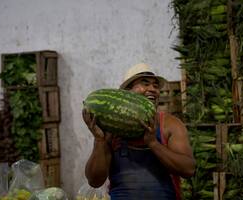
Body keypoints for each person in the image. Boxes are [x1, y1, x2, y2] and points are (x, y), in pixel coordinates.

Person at [82, 63, 196, 200]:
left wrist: (154, 143)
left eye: (155, 86)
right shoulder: (111, 131)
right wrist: (99, 141)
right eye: (145, 84)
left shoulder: (170, 125)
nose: (152, 89)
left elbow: (189, 169)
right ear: (126, 93)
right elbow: (94, 181)